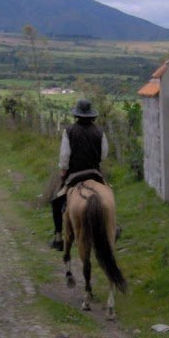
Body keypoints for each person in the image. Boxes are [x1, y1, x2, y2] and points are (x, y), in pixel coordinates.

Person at [50, 98, 108, 250]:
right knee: (108, 196)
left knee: (56, 201)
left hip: (74, 174)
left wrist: (63, 171)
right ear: (91, 115)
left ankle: (58, 237)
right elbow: (103, 156)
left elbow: (65, 156)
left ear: (76, 115)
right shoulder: (100, 131)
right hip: (95, 173)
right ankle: (114, 227)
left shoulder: (68, 131)